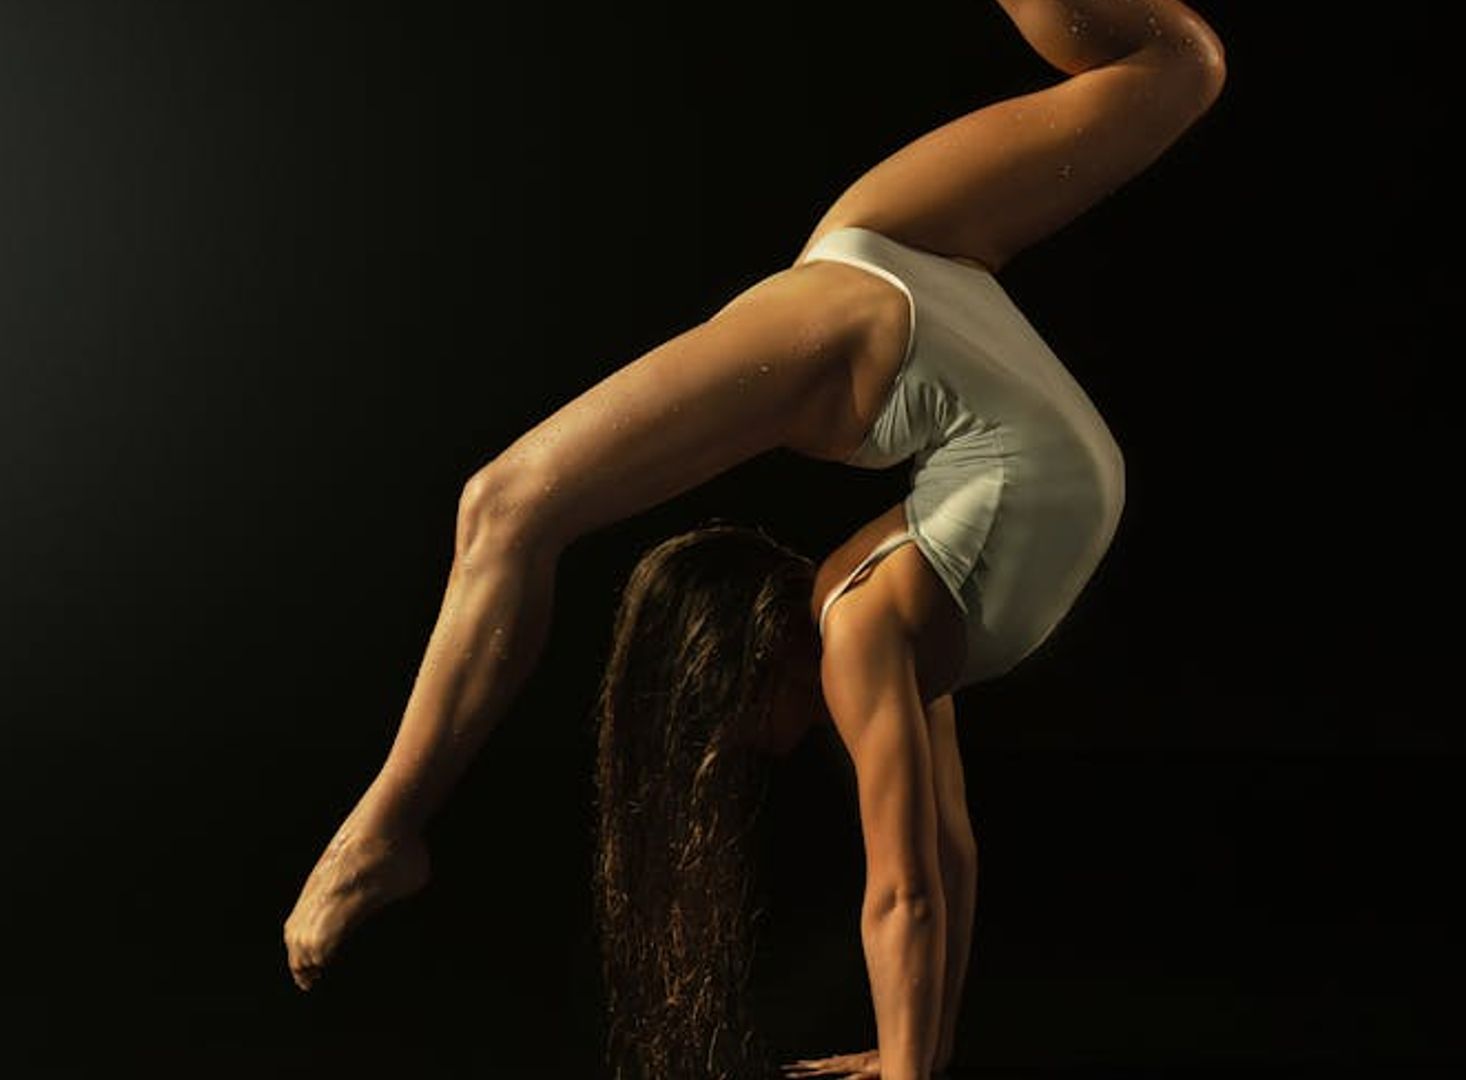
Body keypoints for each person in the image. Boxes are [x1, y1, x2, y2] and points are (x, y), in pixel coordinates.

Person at [284, 2, 1225, 1076]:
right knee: (1180, 63)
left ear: (736, 674)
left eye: (743, 739)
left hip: (862, 329)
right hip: (907, 264)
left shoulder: (867, 629)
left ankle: (383, 829)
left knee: (505, 504)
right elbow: (949, 854)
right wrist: (911, 1051)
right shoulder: (914, 614)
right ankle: (383, 833)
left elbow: (899, 888)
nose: (774, 754)